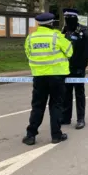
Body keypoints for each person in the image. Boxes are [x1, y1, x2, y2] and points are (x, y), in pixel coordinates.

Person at [22, 13, 73, 145]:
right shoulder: (57, 36)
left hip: (39, 77)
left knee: (37, 106)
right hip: (57, 76)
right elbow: (70, 52)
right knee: (56, 106)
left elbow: (28, 54)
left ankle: (30, 135)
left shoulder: (31, 37)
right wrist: (66, 38)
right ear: (51, 23)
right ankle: (56, 135)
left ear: (38, 23)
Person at [61, 8, 88, 130]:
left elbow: (87, 52)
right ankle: (66, 117)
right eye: (66, 18)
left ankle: (80, 119)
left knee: (79, 94)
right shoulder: (64, 31)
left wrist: (82, 66)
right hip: (65, 67)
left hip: (78, 67)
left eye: (69, 18)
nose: (67, 21)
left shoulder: (84, 32)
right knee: (66, 93)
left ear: (75, 18)